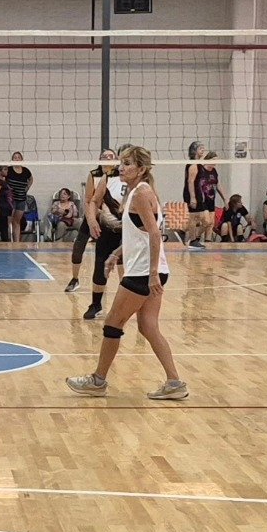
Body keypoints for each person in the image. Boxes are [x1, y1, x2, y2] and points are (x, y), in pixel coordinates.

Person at [66, 144, 187, 402]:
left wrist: (152, 273)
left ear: (141, 169)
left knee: (112, 323)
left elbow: (155, 234)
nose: (122, 167)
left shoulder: (141, 193)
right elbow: (140, 233)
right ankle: (175, 382)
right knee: (148, 326)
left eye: (128, 164)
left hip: (144, 272)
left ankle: (98, 380)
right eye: (122, 163)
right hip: (152, 269)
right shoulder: (136, 192)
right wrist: (116, 253)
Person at [66, 148, 118, 292]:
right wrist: (90, 220)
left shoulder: (119, 176)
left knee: (113, 251)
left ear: (116, 160)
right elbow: (88, 200)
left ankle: (121, 283)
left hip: (111, 218)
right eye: (104, 156)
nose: (107, 158)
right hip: (93, 215)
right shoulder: (94, 174)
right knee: (78, 247)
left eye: (110, 156)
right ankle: (75, 279)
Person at [84, 153, 128, 321]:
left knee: (127, 268)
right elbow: (94, 201)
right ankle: (96, 304)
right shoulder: (107, 178)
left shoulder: (141, 183)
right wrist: (92, 221)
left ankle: (127, 303)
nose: (124, 167)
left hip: (130, 232)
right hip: (108, 229)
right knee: (100, 266)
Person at [182, 141, 209, 249]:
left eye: (203, 148)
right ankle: (193, 241)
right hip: (191, 193)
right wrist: (193, 198)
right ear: (195, 150)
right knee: (193, 217)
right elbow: (190, 181)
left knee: (206, 221)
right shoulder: (193, 164)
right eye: (200, 148)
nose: (203, 150)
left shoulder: (198, 163)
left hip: (197, 192)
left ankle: (190, 236)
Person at [5, 151, 34, 243]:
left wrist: (27, 188)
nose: (17, 159)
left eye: (18, 157)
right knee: (8, 222)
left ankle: (17, 243)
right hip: (11, 200)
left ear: (21, 159)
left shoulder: (26, 171)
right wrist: (5, 190)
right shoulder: (9, 170)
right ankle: (8, 241)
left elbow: (31, 179)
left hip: (21, 199)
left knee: (17, 222)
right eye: (15, 157)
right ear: (12, 160)